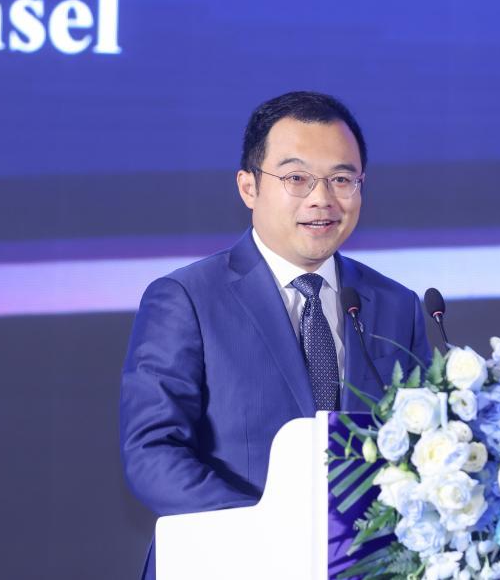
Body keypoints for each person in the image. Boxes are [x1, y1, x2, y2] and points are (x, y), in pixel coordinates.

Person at [120, 91, 430, 579]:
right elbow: (152, 452)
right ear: (249, 187)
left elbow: (425, 446)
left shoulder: (397, 305)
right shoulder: (187, 297)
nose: (321, 199)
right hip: (229, 562)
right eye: (296, 178)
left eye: (342, 179)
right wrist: (269, 530)